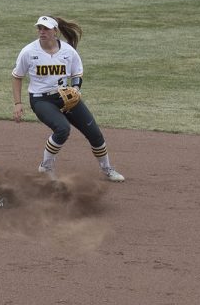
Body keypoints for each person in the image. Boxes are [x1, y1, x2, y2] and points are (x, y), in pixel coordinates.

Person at [11, 15, 125, 182]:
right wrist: (18, 103)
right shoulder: (28, 52)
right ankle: (46, 167)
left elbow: (77, 73)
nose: (42, 32)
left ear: (55, 31)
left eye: (46, 29)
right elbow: (17, 76)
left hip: (66, 97)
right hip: (41, 100)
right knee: (62, 129)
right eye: (40, 28)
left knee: (95, 134)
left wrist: (76, 89)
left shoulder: (68, 51)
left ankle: (107, 168)